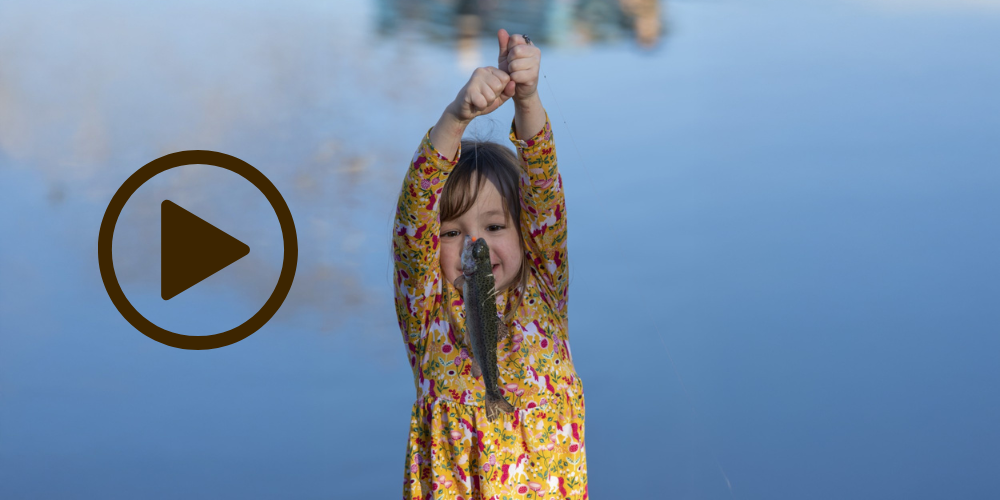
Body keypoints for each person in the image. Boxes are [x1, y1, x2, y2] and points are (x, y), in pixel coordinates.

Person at [392, 28, 587, 499]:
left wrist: (528, 99)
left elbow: (543, 188)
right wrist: (455, 118)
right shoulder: (429, 315)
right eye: (451, 233)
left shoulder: (543, 289)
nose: (474, 244)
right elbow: (414, 216)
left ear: (527, 233)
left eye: (495, 226)